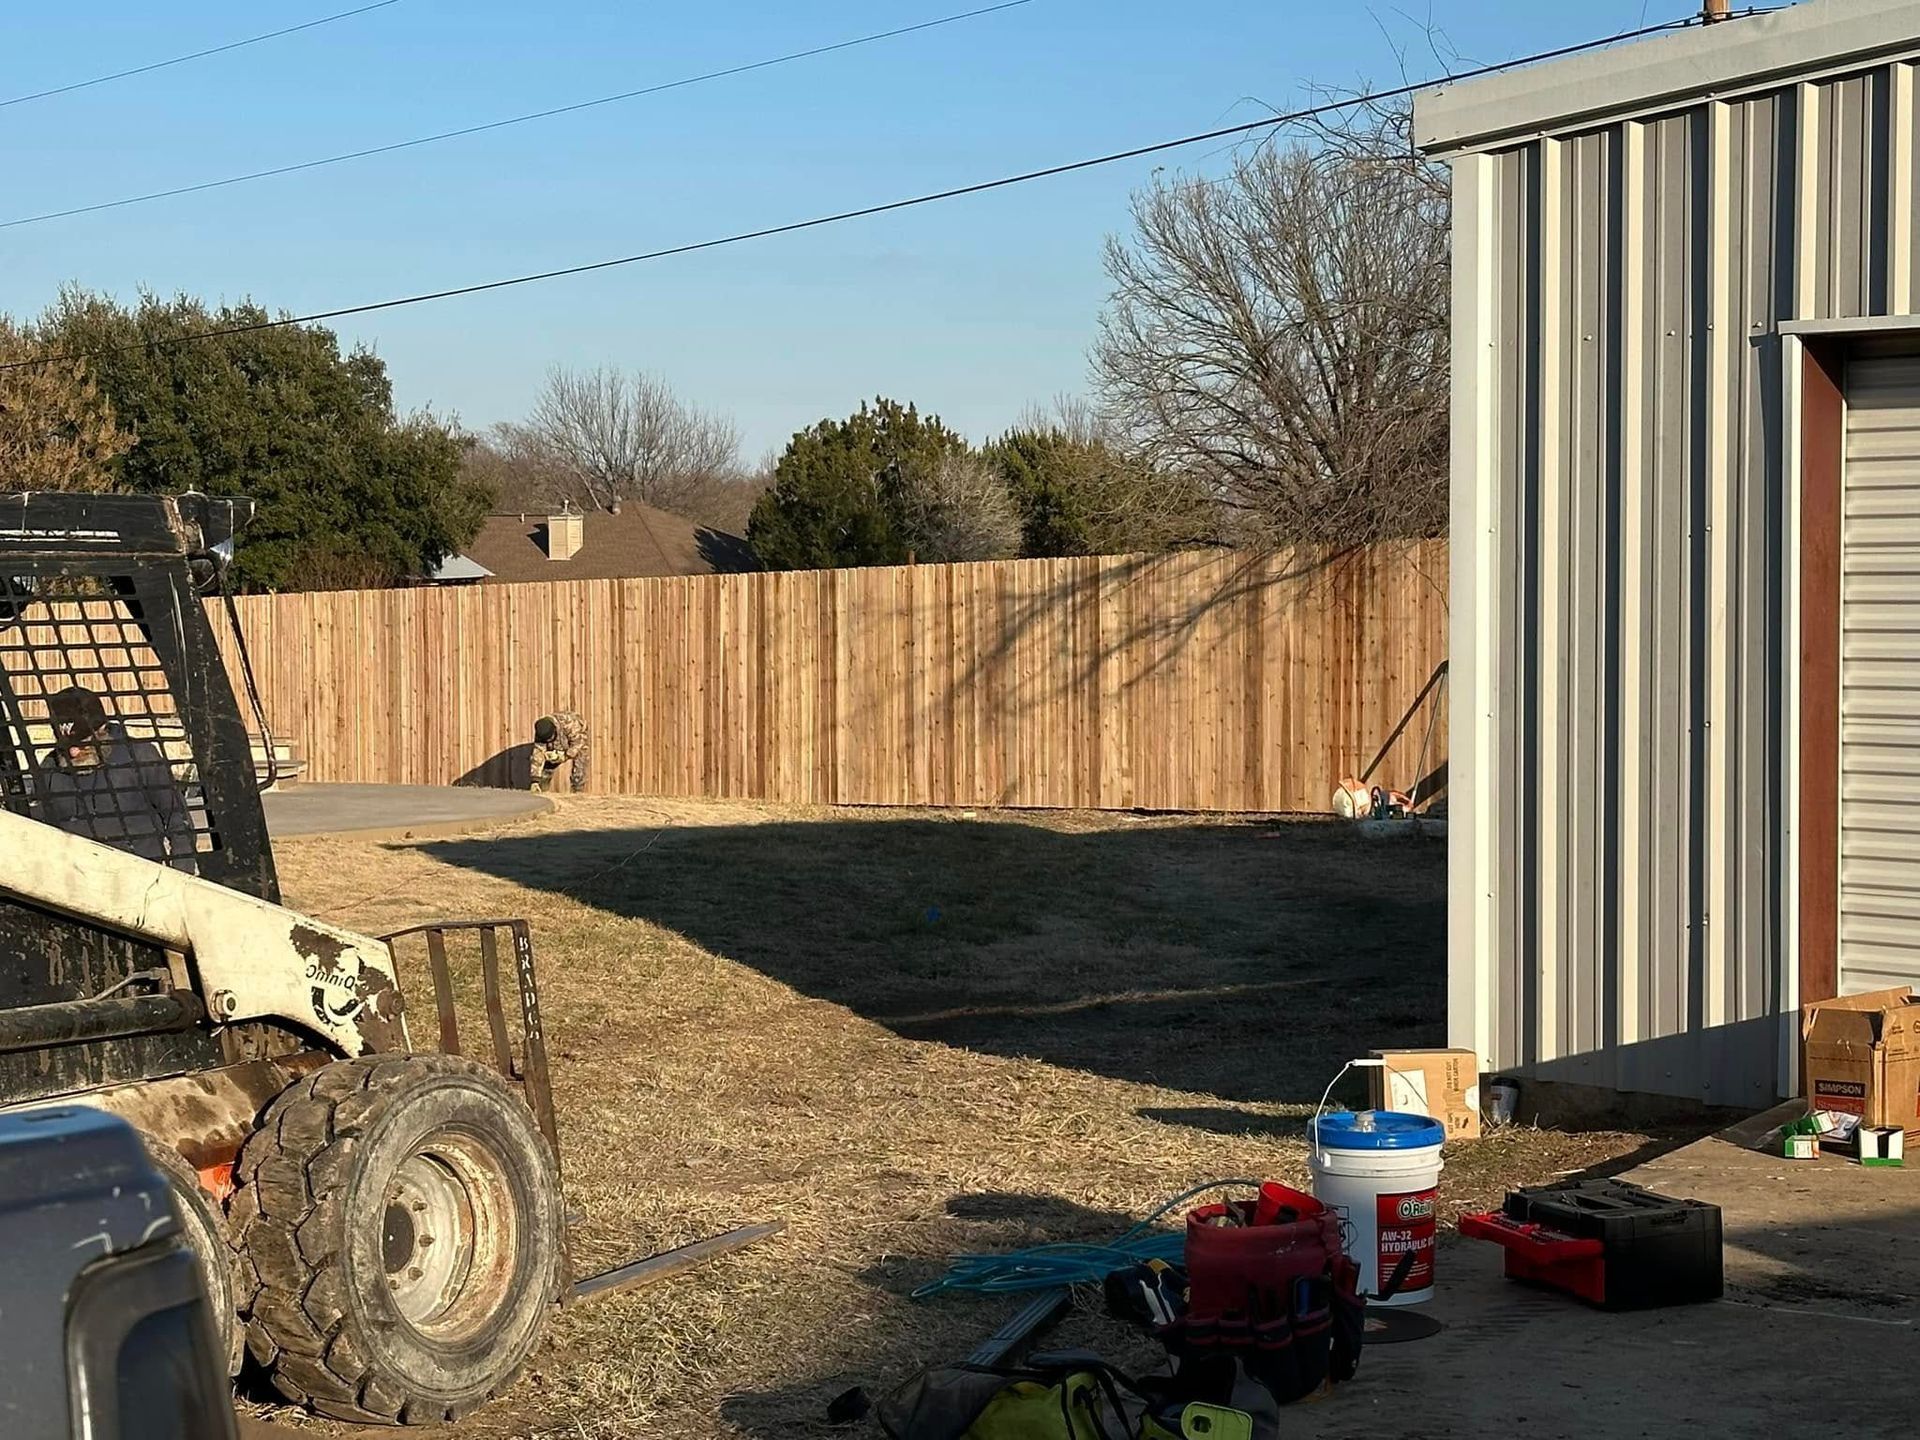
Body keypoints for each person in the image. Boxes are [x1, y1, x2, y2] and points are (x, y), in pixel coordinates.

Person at [38, 685, 198, 873]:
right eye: (66, 745)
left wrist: (179, 878)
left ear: (103, 730)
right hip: (75, 883)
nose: (73, 752)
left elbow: (177, 819)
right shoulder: (50, 767)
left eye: (83, 743)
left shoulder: (140, 757)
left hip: (139, 879)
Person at [529, 711, 590, 794]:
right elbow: (538, 753)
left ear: (554, 730)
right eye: (546, 740)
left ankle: (577, 793)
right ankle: (542, 791)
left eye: (550, 738)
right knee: (547, 765)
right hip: (559, 743)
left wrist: (565, 755)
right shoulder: (541, 730)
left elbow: (579, 743)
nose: (548, 741)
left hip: (577, 741)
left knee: (580, 764)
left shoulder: (570, 723)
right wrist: (535, 780)